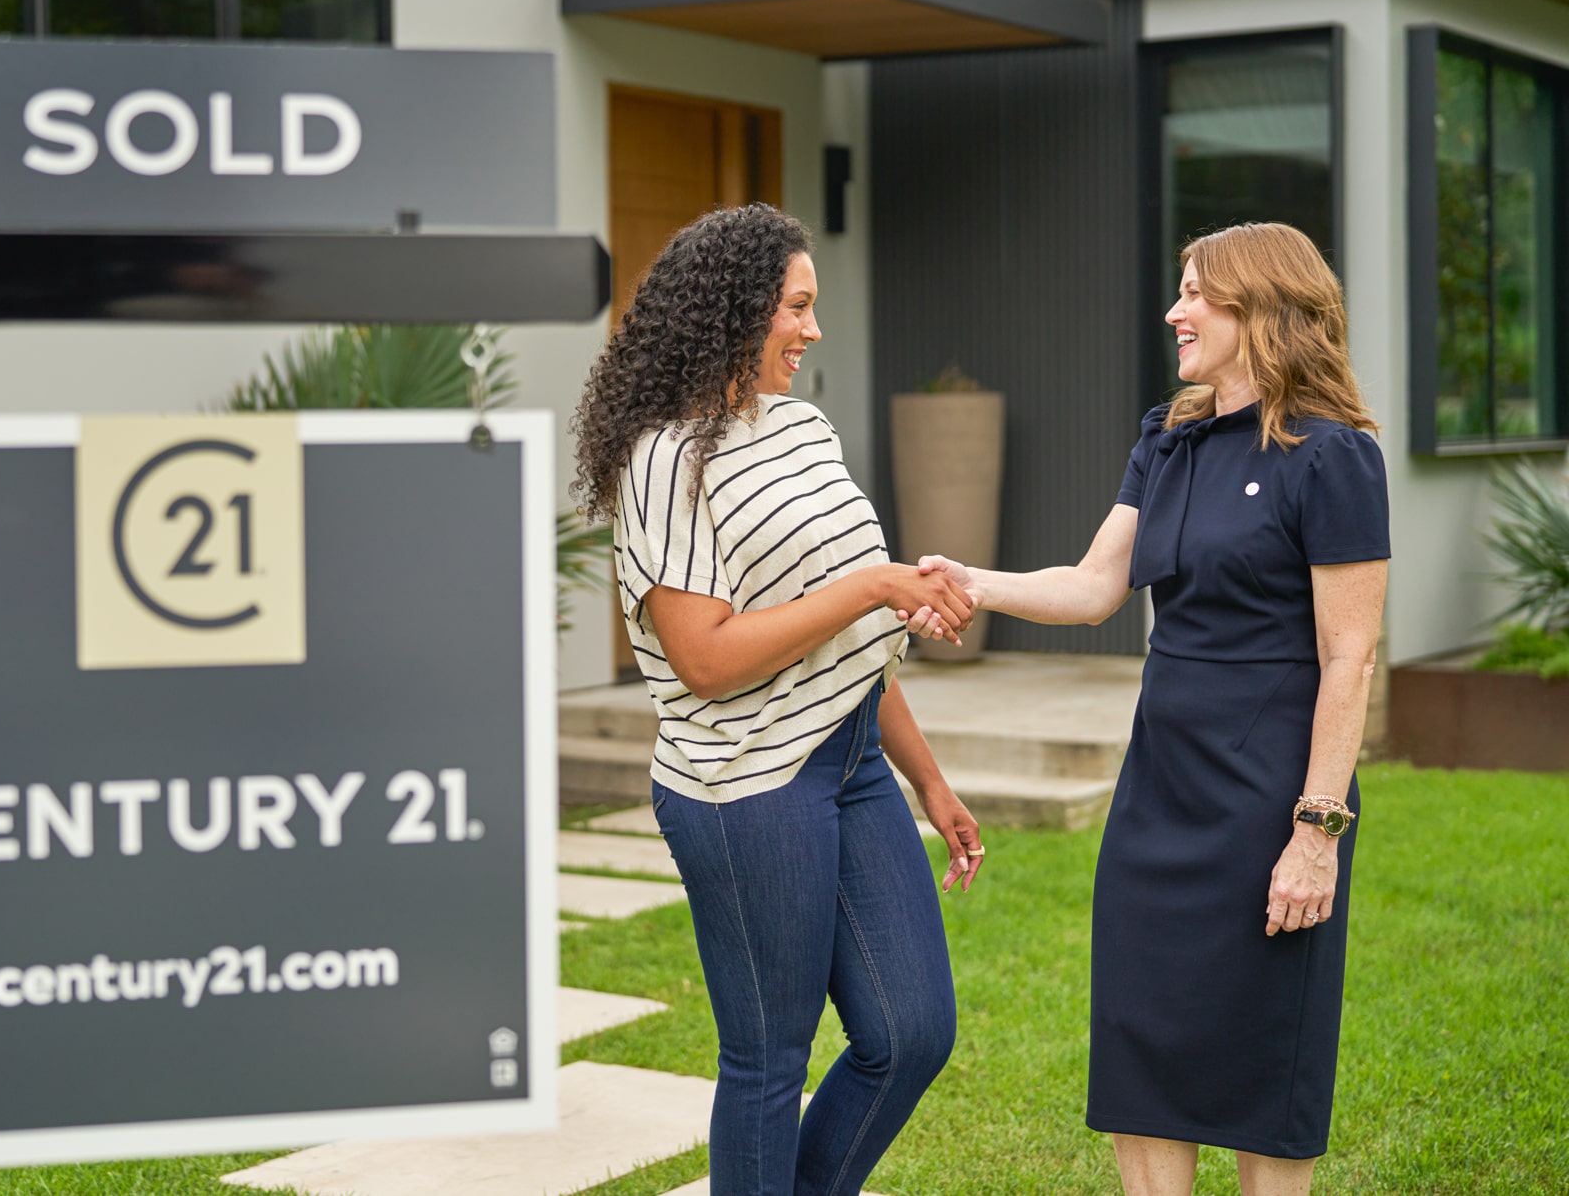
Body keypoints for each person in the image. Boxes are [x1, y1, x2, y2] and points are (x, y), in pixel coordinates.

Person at [914, 222, 1389, 1196]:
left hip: (1267, 804)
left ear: (1260, 308)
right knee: (1142, 1057)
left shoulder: (1332, 458)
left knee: (1265, 1062)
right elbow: (1094, 586)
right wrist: (974, 581)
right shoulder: (1167, 438)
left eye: (1193, 294)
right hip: (1156, 801)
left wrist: (1314, 831)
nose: (1172, 312)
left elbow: (1349, 654)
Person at [569, 203, 985, 1196]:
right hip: (743, 789)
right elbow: (704, 661)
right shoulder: (664, 459)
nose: (810, 328)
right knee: (766, 1066)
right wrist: (877, 584)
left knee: (911, 1029)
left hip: (845, 758)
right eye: (796, 307)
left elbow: (839, 642)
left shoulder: (800, 426)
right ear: (737, 311)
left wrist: (925, 780)